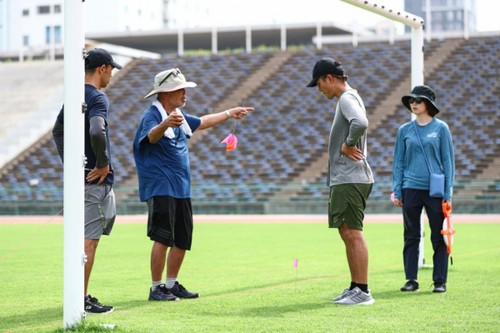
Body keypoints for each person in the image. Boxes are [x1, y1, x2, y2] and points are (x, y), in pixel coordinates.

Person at [133, 68, 254, 301]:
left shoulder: (177, 114)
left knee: (182, 238)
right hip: (161, 186)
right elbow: (150, 137)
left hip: (180, 187)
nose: (185, 94)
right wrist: (166, 124)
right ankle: (156, 287)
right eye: (181, 90)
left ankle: (171, 283)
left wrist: (229, 113)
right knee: (162, 237)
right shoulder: (153, 115)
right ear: (167, 93)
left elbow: (203, 121)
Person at [52, 48, 122, 313]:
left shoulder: (72, 96)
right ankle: (80, 299)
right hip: (94, 182)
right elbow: (96, 129)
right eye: (111, 69)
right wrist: (102, 163)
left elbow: (57, 131)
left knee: (85, 238)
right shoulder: (98, 97)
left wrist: (70, 165)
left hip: (81, 180)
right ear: (103, 68)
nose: (112, 75)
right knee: (89, 241)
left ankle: (79, 295)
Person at [306, 58, 375, 306]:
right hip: (346, 177)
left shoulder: (346, 98)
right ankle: (355, 286)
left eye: (319, 84)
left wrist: (347, 144)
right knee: (346, 232)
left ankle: (363, 291)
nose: (320, 89)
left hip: (350, 177)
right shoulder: (348, 98)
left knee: (352, 233)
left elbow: (361, 123)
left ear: (329, 78)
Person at [392, 85, 455, 293]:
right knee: (411, 236)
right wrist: (397, 189)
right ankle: (411, 279)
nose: (414, 104)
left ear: (428, 104)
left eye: (418, 100)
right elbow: (398, 162)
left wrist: (448, 194)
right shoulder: (404, 130)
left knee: (438, 236)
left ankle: (440, 281)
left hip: (435, 191)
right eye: (411, 100)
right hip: (410, 188)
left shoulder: (441, 128)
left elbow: (448, 163)